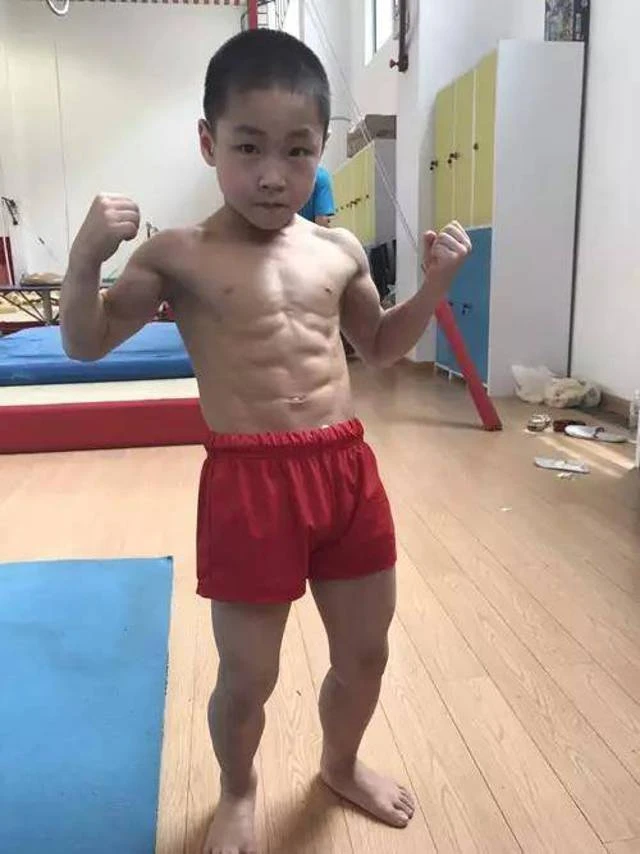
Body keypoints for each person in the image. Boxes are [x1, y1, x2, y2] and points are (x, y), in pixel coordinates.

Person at [60, 29, 471, 854]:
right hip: (250, 485)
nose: (274, 174)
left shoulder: (338, 250)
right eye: (248, 147)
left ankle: (340, 765)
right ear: (208, 141)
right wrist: (83, 259)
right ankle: (238, 788)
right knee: (249, 675)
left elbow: (380, 348)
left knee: (366, 654)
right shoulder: (177, 255)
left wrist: (433, 286)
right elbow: (85, 343)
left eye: (298, 150)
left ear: (321, 149)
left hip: (346, 471)